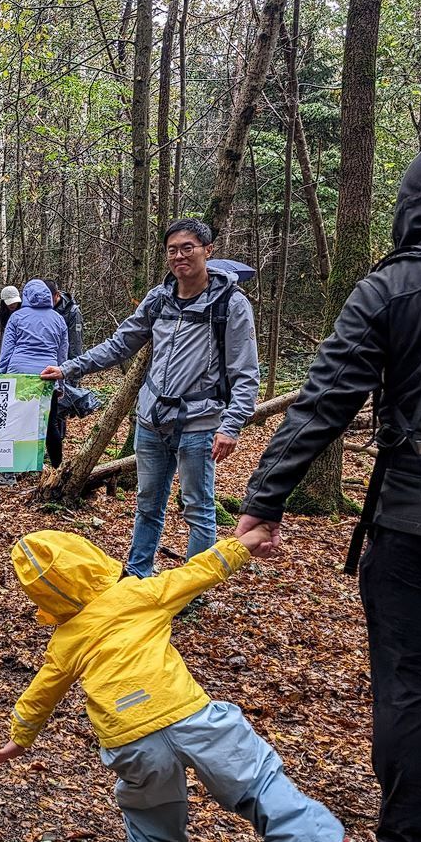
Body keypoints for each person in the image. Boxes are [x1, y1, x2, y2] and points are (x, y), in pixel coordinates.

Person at [235, 145, 421, 842]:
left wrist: (264, 500)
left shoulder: (392, 286)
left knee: (413, 687)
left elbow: (326, 398)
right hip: (418, 521)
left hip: (419, 524)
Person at [0, 528, 359, 842]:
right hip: (190, 716)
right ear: (91, 559)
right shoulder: (138, 593)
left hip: (129, 739)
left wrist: (19, 739)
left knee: (152, 810)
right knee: (254, 780)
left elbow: (40, 694)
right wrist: (243, 544)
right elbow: (198, 572)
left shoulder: (64, 643)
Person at [42, 219, 259, 578]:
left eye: (188, 248)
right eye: (172, 250)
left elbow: (246, 372)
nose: (179, 256)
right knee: (148, 504)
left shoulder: (230, 304)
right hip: (151, 420)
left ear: (208, 250)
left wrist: (231, 426)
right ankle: (137, 574)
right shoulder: (159, 298)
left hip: (200, 423)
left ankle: (192, 587)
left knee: (198, 508)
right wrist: (69, 368)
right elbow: (120, 344)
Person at [0, 279, 69, 468]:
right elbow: (62, 355)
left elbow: (6, 352)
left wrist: (1, 377)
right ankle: (57, 467)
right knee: (50, 423)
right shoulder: (58, 319)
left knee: (16, 421)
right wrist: (60, 384)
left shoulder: (17, 317)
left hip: (19, 375)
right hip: (47, 375)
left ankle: (13, 467)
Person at [45, 278, 85, 366]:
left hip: (64, 362)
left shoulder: (73, 312)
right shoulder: (43, 309)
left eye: (49, 298)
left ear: (57, 295)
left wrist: (74, 368)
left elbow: (75, 343)